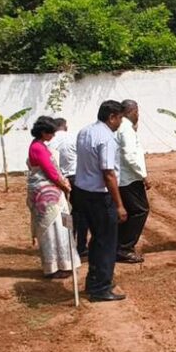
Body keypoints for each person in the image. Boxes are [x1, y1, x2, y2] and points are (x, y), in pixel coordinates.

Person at [71, 100, 128, 302]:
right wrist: (119, 204)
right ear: (112, 117)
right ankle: (101, 288)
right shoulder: (107, 138)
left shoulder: (84, 131)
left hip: (81, 192)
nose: (121, 122)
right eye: (120, 118)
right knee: (106, 242)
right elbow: (108, 173)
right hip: (98, 195)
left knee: (96, 240)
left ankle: (94, 281)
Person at [26, 117, 81, 280]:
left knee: (58, 226)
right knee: (53, 228)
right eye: (51, 133)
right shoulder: (39, 148)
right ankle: (54, 266)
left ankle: (61, 263)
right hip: (47, 195)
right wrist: (64, 185)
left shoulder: (39, 145)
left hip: (48, 193)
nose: (53, 136)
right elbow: (51, 171)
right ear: (44, 132)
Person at [115, 99, 149, 264]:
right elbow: (130, 155)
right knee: (140, 210)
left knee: (128, 213)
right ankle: (124, 248)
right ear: (132, 111)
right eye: (137, 112)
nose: (138, 115)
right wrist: (143, 175)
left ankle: (119, 246)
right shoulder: (126, 129)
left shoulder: (121, 127)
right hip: (130, 178)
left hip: (124, 178)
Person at [51, 117, 85, 255]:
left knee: (63, 211)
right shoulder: (73, 137)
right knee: (80, 211)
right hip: (76, 177)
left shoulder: (49, 142)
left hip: (58, 180)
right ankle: (81, 245)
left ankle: (66, 242)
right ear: (66, 126)